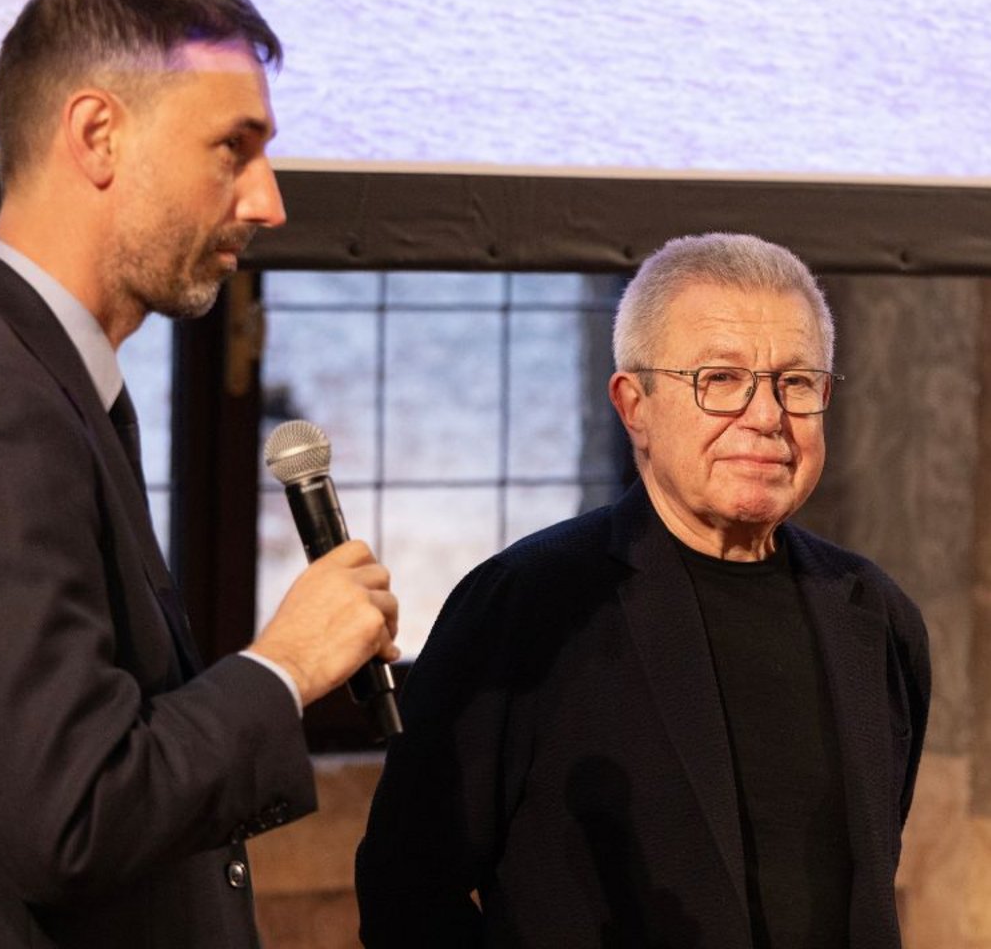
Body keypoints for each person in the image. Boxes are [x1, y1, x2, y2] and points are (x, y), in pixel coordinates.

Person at [0, 0, 399, 947]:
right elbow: (74, 812)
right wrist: (283, 667)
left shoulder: (42, 384)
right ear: (97, 135)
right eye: (232, 147)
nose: (269, 201)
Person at [355, 232, 930, 949]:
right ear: (635, 406)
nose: (766, 417)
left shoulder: (873, 615)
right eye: (720, 379)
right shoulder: (528, 606)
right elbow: (406, 893)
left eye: (797, 382)